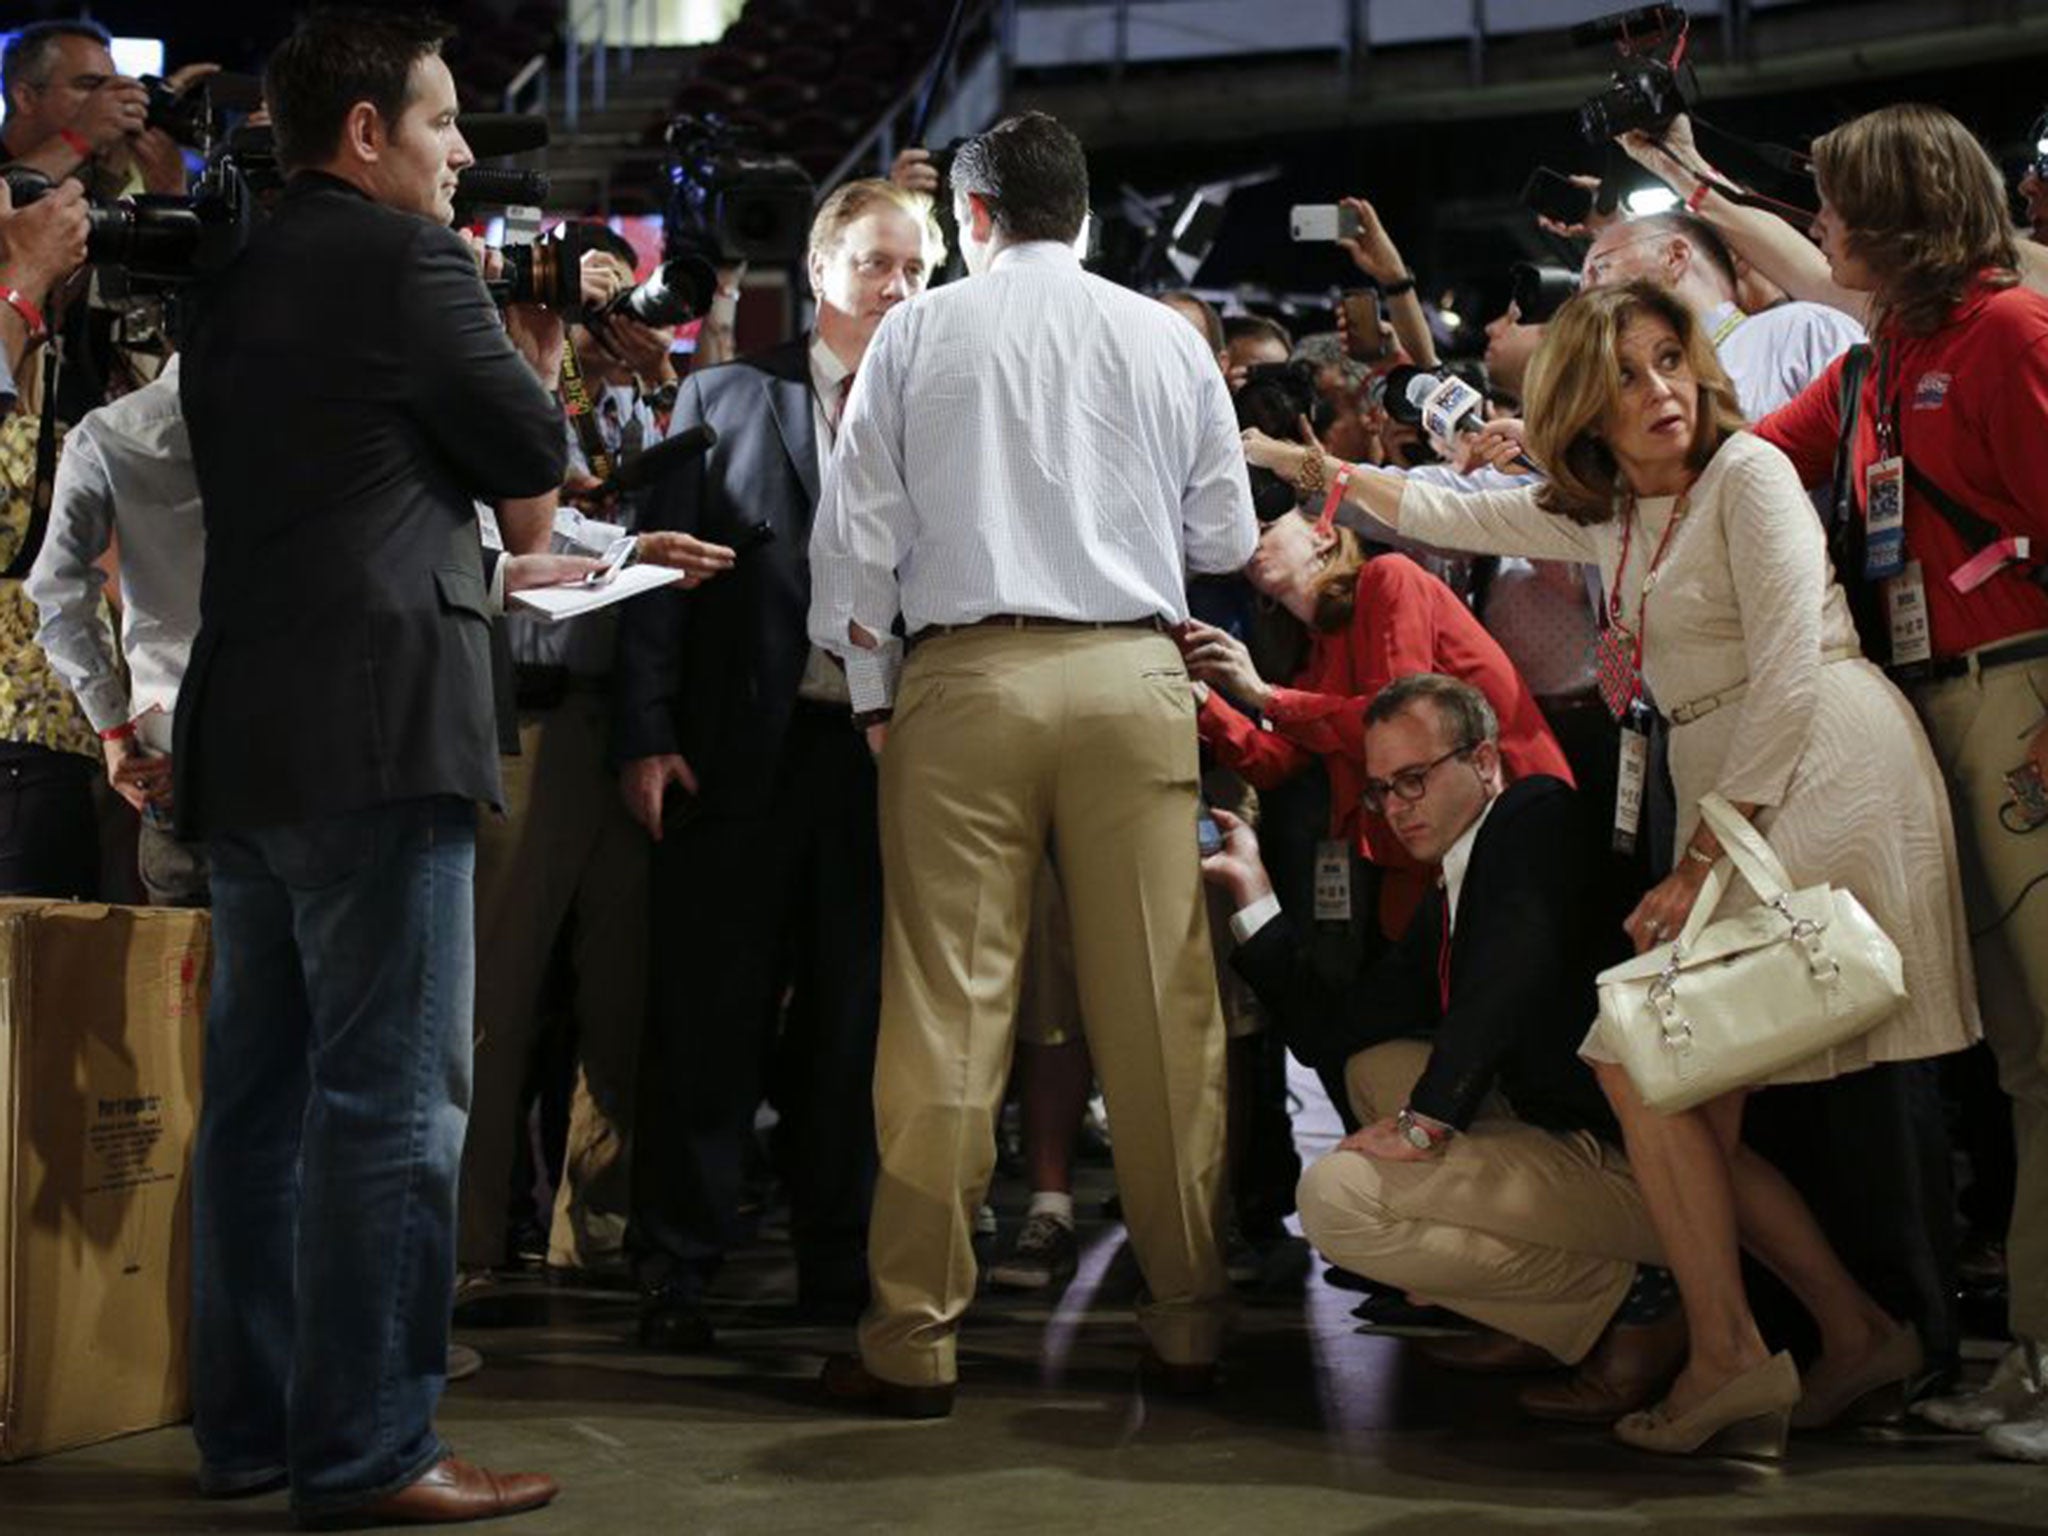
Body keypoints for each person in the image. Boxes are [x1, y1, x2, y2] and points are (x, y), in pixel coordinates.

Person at [1249, 278, 1979, 1457]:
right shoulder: (1620, 516)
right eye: (1628, 373)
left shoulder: (1744, 477)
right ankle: (1836, 1337)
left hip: (1812, 775)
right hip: (1739, 781)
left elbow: (1792, 666)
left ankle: (1739, 1350)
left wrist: (1701, 856)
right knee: (1673, 1089)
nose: (1660, 391)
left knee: (1650, 1072)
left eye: (1668, 359)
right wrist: (1313, 471)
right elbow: (1455, 512)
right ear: (1584, 403)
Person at [176, 11, 580, 1522]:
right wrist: (529, 351)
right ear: (364, 134)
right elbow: (532, 474)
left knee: (260, 1108)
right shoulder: (410, 265)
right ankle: (374, 1450)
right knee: (397, 1110)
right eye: (443, 125)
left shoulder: (225, 270)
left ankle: (252, 1435)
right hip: (377, 735)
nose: (464, 153)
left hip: (249, 729)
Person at [807, 110, 1256, 1416]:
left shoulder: (918, 334)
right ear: (1090, 219)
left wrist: (880, 701)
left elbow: (854, 546)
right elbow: (1224, 534)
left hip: (964, 678)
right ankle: (1186, 1326)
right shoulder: (1163, 338)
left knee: (947, 1014)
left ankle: (912, 1343)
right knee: (1163, 1017)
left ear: (974, 219)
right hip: (1128, 676)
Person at [1744, 103, 2048, 1464]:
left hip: (2023, 702)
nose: (1817, 227)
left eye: (1833, 202)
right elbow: (1743, 459)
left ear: (1899, 212)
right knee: (2031, 1061)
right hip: (1944, 714)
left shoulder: (2007, 337)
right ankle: (2033, 1352)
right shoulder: (1888, 356)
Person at [614, 176, 942, 1347]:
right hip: (731, 751)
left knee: (855, 1027)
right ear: (817, 271)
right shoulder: (720, 395)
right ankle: (677, 1265)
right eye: (874, 263)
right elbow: (654, 584)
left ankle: (836, 1261)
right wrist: (646, 733)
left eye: (915, 268)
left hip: (882, 764)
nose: (896, 287)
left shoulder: (948, 410)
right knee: (706, 1017)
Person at [1210, 674, 1680, 1423]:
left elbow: (1513, 971)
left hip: (1659, 1172)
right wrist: (1254, 891)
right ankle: (1572, 1307)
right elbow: (1337, 1031)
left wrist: (1425, 1122)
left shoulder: (1534, 814)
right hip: (1574, 1143)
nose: (1398, 807)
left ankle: (1645, 1298)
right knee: (1373, 1067)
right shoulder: (1452, 885)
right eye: (1383, 791)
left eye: (1415, 779)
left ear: (1486, 762)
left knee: (1335, 1203)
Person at [1180, 499, 1572, 939]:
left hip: (1503, 823)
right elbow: (1279, 765)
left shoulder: (1390, 577)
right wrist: (1200, 700)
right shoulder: (1311, 657)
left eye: (1266, 526)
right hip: (1420, 850)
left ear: (1324, 533)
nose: (1249, 543)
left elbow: (1401, 719)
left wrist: (1265, 696)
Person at [25, 349, 207, 905]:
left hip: (170, 752)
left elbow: (58, 599)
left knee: (182, 975)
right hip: (300, 758)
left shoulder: (108, 434)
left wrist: (112, 729)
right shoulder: (314, 423)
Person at [1578, 210, 1865, 419]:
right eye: (1580, 285)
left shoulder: (1800, 330)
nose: (1586, 295)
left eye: (1600, 268)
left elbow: (1872, 441)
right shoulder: (1625, 394)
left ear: (1675, 256)